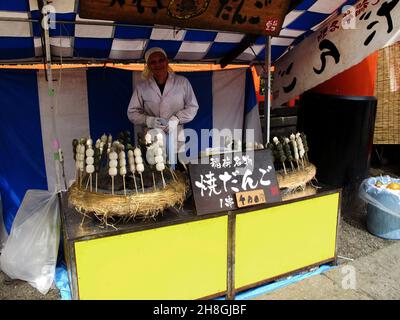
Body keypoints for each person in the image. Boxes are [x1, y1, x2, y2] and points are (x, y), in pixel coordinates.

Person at [127, 47, 199, 156]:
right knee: (155, 170)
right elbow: (132, 112)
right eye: (153, 62)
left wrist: (177, 118)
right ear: (148, 66)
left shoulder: (182, 82)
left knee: (179, 170)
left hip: (176, 140)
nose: (158, 64)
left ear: (167, 61)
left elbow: (193, 107)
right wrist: (148, 120)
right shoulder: (142, 87)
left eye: (161, 60)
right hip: (152, 139)